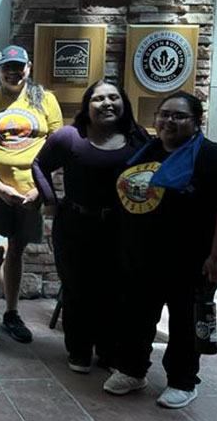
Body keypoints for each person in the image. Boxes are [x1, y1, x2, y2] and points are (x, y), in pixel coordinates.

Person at [103, 92, 217, 409]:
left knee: (184, 322)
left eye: (179, 116)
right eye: (164, 114)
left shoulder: (214, 158)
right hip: (145, 257)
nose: (169, 121)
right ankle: (132, 370)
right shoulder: (145, 152)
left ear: (197, 122)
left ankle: (182, 381)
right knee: (137, 316)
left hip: (194, 260)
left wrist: (216, 258)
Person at [32, 80, 149, 372]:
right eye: (99, 99)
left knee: (116, 290)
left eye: (114, 97)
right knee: (78, 290)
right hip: (76, 226)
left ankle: (109, 351)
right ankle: (79, 351)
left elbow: (154, 172)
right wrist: (49, 199)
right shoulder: (70, 137)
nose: (107, 103)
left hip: (122, 227)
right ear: (87, 105)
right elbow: (38, 165)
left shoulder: (138, 137)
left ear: (124, 103)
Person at [0, 45, 62, 348]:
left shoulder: (45, 100)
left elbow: (59, 147)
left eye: (18, 66)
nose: (12, 72)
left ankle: (12, 313)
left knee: (17, 251)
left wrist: (40, 188)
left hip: (30, 195)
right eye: (7, 67)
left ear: (28, 68)